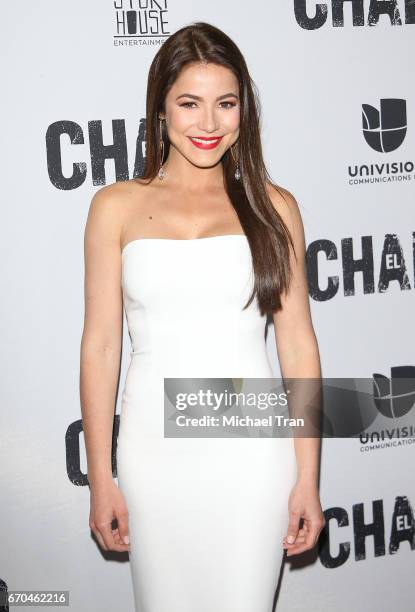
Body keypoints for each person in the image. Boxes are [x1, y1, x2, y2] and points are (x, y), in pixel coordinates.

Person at [80, 21, 325, 612]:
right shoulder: (116, 207)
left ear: (245, 110)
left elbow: (297, 346)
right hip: (153, 453)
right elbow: (101, 347)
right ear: (160, 109)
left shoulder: (274, 207)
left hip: (252, 452)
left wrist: (308, 479)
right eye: (189, 103)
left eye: (226, 103)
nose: (209, 124)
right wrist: (101, 477)